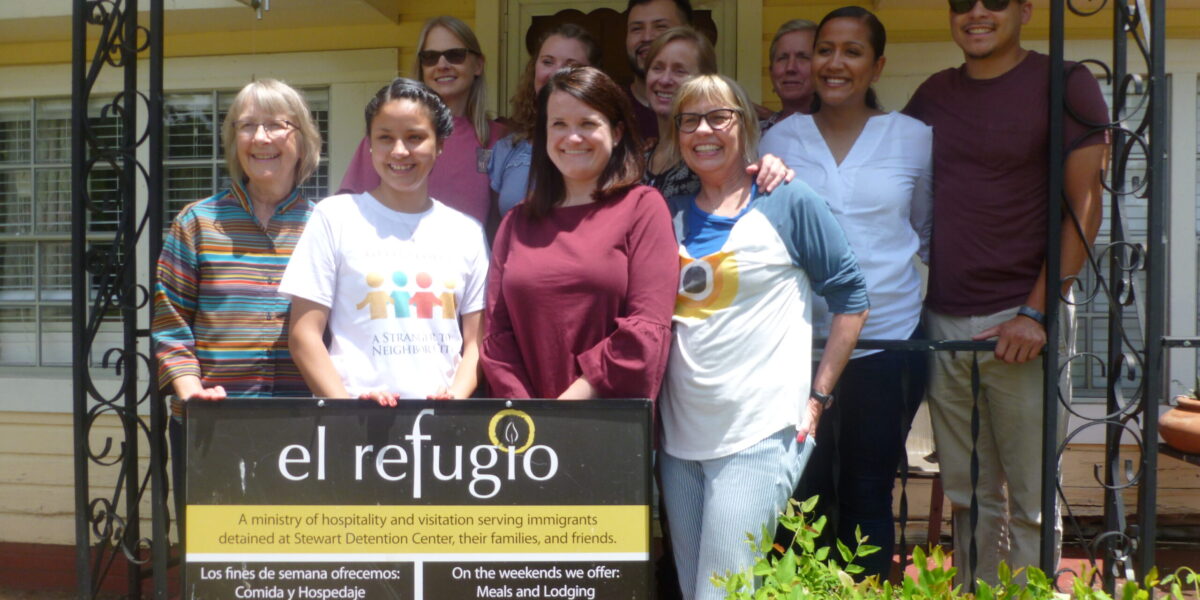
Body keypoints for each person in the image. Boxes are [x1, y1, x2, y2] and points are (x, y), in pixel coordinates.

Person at [902, 0, 1108, 586]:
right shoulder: (935, 94)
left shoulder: (1065, 82)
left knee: (1030, 496)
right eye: (961, 3)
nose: (976, 12)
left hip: (1022, 318)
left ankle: (1030, 594)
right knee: (969, 493)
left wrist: (1035, 312)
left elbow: (1085, 208)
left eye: (994, 1)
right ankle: (981, 591)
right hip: (946, 318)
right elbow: (872, 151)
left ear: (1026, 10)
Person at [657, 74, 869, 600]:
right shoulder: (667, 212)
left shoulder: (789, 201)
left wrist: (818, 397)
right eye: (689, 120)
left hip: (759, 433)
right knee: (695, 588)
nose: (703, 131)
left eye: (718, 117)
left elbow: (852, 299)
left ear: (745, 125)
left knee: (721, 593)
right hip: (679, 438)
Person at [760, 6, 932, 580]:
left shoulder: (913, 138)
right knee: (799, 495)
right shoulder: (779, 139)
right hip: (798, 346)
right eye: (825, 50)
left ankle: (865, 591)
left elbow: (925, 228)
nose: (835, 63)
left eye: (852, 52)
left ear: (877, 66)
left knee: (867, 489)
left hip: (888, 344)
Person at [152, 78, 323, 539]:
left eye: (276, 125)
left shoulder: (326, 226)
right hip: (213, 425)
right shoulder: (197, 223)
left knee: (296, 556)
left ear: (303, 138)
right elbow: (170, 324)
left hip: (304, 427)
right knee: (216, 557)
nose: (261, 138)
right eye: (247, 126)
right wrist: (191, 393)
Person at [281, 78, 489, 405]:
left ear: (439, 145)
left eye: (415, 137)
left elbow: (477, 343)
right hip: (353, 418)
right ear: (369, 144)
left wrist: (454, 399)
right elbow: (303, 335)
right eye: (385, 137)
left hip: (440, 425)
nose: (399, 151)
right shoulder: (334, 217)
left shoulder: (466, 233)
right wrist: (347, 409)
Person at [481, 66, 678, 401]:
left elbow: (646, 331)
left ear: (616, 133)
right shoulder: (516, 222)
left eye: (588, 123)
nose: (573, 137)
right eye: (559, 124)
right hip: (527, 424)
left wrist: (567, 410)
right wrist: (533, 415)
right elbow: (496, 338)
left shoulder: (643, 208)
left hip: (608, 419)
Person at [337, 16, 505, 228]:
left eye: (455, 55)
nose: (442, 65)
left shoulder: (499, 137)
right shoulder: (388, 137)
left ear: (478, 65)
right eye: (430, 57)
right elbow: (350, 212)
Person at [643, 27, 794, 201]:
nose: (664, 80)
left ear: (706, 80)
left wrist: (772, 166)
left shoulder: (719, 151)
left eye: (680, 71)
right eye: (657, 68)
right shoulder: (638, 160)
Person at [489, 23, 601, 218]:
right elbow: (496, 228)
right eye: (547, 62)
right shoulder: (507, 148)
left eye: (571, 66)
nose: (555, 73)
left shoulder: (603, 147)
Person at [625, 0, 693, 141]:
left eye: (661, 27)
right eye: (637, 29)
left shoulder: (719, 114)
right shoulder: (609, 110)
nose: (647, 37)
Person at [761, 18, 818, 131]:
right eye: (783, 58)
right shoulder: (754, 136)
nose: (790, 68)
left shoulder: (841, 132)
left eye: (803, 57)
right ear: (771, 71)